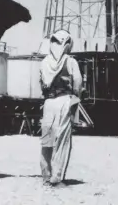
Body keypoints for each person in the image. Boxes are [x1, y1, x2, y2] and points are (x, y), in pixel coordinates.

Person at [39, 30, 83, 187]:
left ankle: (46, 176)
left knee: (47, 140)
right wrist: (76, 98)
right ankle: (57, 178)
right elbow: (77, 83)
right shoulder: (70, 62)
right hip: (64, 100)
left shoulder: (44, 62)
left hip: (48, 102)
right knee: (62, 141)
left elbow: (41, 83)